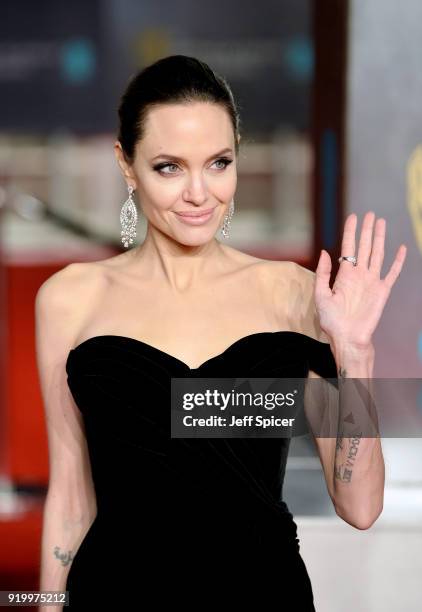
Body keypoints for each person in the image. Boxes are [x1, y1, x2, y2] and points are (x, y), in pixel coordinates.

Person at [36, 55, 406, 611]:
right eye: (169, 167)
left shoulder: (294, 293)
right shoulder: (69, 300)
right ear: (126, 165)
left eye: (218, 162)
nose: (198, 193)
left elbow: (359, 506)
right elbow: (69, 496)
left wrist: (355, 352)